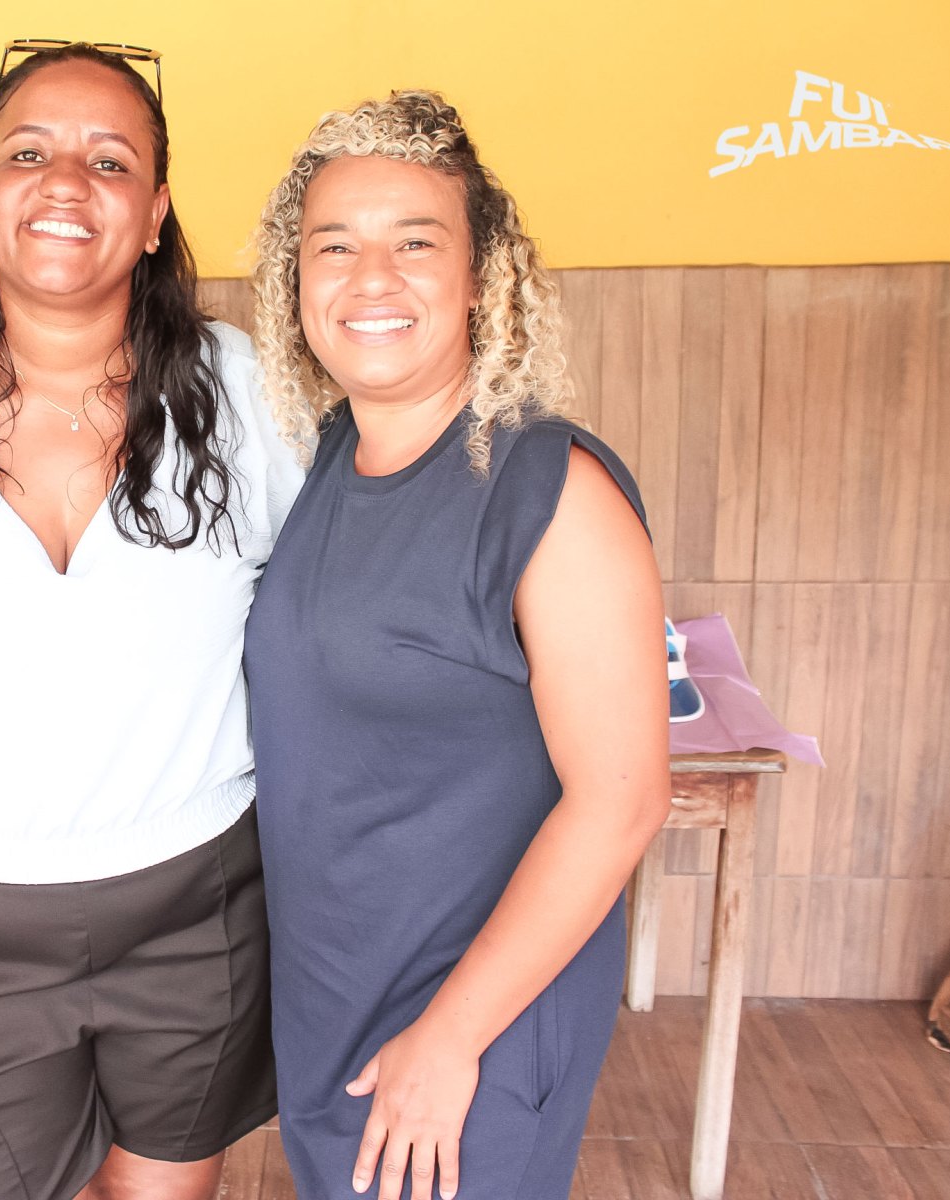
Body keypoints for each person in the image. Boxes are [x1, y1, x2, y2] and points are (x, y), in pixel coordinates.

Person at [0, 41, 300, 1200]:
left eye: (110, 160)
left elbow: (331, 634)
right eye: (28, 153)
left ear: (154, 215)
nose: (64, 183)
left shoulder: (254, 398)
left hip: (199, 902)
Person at [244, 91, 672, 1200]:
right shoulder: (329, 461)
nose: (371, 279)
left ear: (482, 277)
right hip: (337, 1003)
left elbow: (621, 801)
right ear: (296, 283)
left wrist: (449, 1040)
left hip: (468, 1029)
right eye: (334, 246)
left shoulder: (549, 490)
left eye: (416, 244)